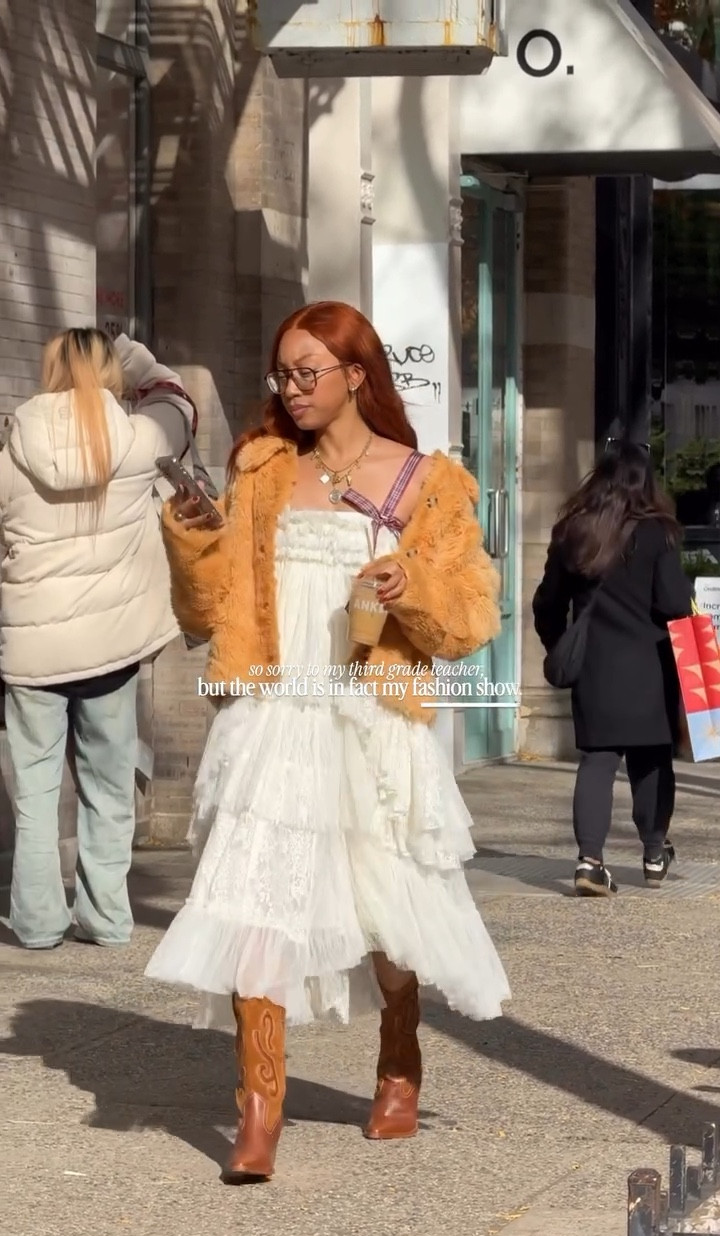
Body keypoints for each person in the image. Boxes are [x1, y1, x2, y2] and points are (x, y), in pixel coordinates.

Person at [145, 300, 511, 1184]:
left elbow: (470, 617)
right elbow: (209, 614)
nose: (293, 389)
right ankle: (258, 1114)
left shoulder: (430, 482)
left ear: (358, 374)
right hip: (277, 713)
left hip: (373, 714)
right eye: (283, 373)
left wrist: (409, 578)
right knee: (255, 903)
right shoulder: (264, 472)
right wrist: (197, 538)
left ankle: (398, 1049)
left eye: (309, 372)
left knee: (386, 916)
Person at [0, 327, 194, 950]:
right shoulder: (139, 439)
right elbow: (178, 399)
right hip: (110, 649)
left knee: (33, 795)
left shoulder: (11, 450)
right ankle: (106, 918)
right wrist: (132, 356)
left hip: (32, 650)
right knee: (108, 789)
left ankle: (35, 922)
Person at [532, 440, 693, 898]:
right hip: (650, 665)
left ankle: (590, 862)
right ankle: (654, 853)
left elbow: (547, 602)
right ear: (646, 483)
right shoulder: (658, 533)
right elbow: (674, 603)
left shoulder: (571, 531)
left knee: (597, 762)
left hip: (595, 669)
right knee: (653, 761)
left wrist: (560, 645)